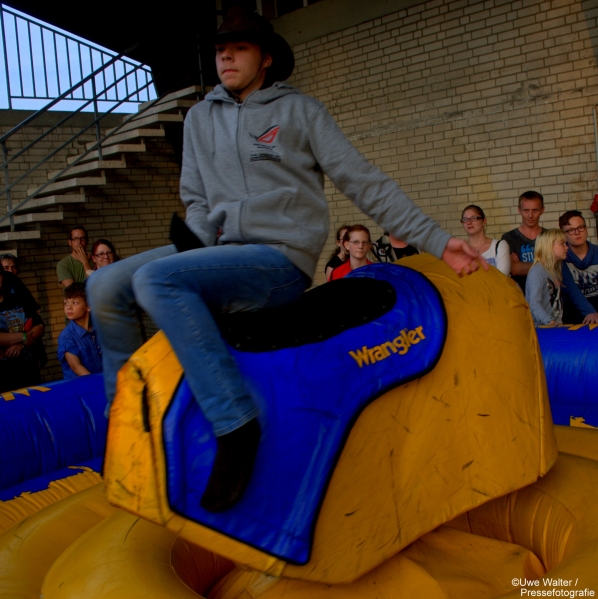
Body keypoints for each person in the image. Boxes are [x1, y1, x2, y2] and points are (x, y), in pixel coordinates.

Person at [88, 7, 484, 513]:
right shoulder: (199, 118)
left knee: (156, 282)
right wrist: (199, 243)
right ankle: (126, 419)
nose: (225, 55)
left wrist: (435, 238)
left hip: (276, 261)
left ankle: (236, 422)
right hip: (219, 251)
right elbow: (196, 199)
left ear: (267, 57)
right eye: (219, 49)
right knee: (104, 287)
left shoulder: (301, 112)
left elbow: (363, 181)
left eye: (240, 47)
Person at [0, 269, 45, 392]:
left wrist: (22, 343)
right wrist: (24, 337)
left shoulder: (17, 297)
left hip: (29, 372)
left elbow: (39, 326)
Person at [558, 210, 598, 324]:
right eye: (570, 230)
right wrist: (590, 311)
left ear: (586, 229)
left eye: (581, 227)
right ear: (563, 234)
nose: (577, 232)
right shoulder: (562, 257)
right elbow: (571, 290)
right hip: (573, 305)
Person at [501, 191, 545, 292]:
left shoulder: (549, 236)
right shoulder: (509, 237)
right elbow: (514, 269)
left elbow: (555, 269)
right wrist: (545, 265)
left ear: (542, 210)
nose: (530, 215)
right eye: (526, 210)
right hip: (520, 295)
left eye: (535, 210)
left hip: (546, 296)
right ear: (519, 210)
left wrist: (521, 265)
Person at [57, 283, 103, 379]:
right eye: (66, 303)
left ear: (88, 306)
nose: (68, 307)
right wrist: (97, 384)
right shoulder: (67, 336)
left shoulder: (100, 328)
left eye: (75, 303)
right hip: (81, 388)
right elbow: (76, 366)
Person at [525, 229, 567, 326]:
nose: (566, 247)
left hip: (554, 326)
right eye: (562, 243)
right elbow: (534, 304)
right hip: (541, 329)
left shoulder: (554, 269)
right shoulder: (537, 272)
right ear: (549, 246)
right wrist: (549, 321)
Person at [461, 205, 510, 276]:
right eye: (465, 219)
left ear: (484, 221)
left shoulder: (499, 246)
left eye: (473, 218)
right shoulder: (460, 251)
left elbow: (502, 277)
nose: (468, 222)